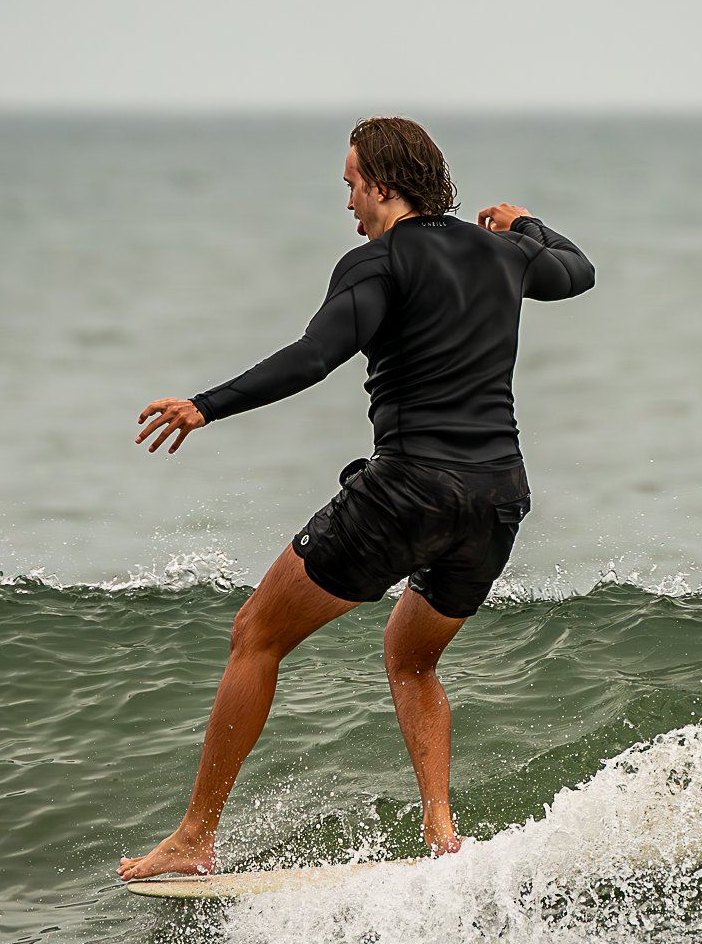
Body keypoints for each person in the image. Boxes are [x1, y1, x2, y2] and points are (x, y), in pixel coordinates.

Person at [117, 115, 596, 881]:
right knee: (411, 658)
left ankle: (195, 838)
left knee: (256, 634)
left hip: (408, 490)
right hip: (497, 499)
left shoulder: (377, 262)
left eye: (350, 185)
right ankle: (442, 832)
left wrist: (207, 404)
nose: (346, 203)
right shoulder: (503, 254)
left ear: (384, 185)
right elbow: (576, 271)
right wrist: (525, 223)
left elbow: (315, 356)